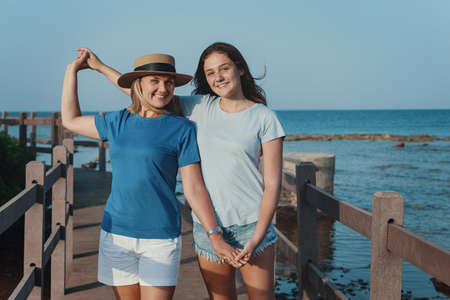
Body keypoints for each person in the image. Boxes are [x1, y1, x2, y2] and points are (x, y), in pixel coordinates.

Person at [78, 42, 285, 300]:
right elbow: (143, 92)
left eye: (224, 68)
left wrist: (256, 238)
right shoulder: (200, 108)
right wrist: (99, 67)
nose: (218, 77)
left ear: (240, 69)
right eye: (210, 72)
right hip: (209, 227)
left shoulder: (265, 118)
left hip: (253, 225)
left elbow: (273, 185)